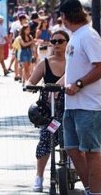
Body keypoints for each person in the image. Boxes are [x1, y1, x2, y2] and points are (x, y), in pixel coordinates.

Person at [59, 0, 101, 195]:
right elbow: (75, 68)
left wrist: (79, 84)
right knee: (72, 149)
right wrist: (58, 84)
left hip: (91, 106)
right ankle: (89, 188)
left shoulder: (88, 35)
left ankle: (94, 193)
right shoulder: (75, 36)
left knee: (91, 151)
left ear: (64, 16)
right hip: (73, 104)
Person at [25, 30, 69, 192]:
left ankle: (73, 168)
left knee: (71, 139)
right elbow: (31, 80)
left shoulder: (73, 62)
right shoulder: (44, 63)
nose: (56, 44)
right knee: (45, 140)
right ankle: (39, 176)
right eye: (54, 41)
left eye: (60, 41)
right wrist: (29, 86)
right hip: (49, 111)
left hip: (68, 109)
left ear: (67, 43)